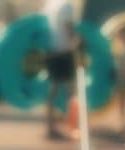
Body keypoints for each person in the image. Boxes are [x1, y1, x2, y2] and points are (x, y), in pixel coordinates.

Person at [43, 0, 76, 140]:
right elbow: (68, 28)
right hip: (64, 51)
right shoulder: (67, 5)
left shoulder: (49, 4)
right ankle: (72, 126)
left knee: (53, 89)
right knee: (71, 90)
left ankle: (50, 126)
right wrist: (77, 42)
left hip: (51, 52)